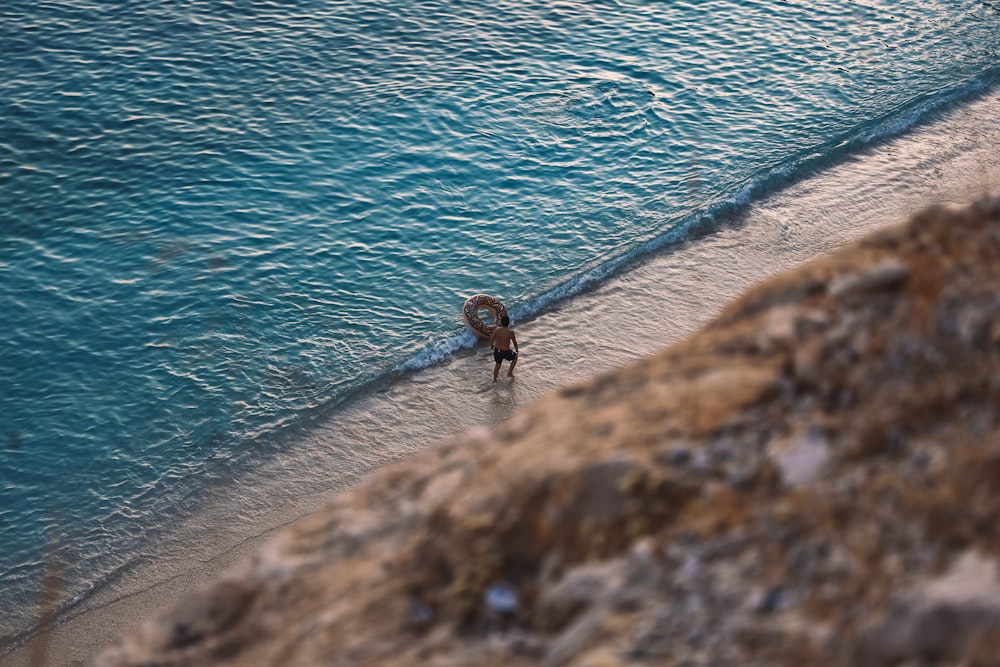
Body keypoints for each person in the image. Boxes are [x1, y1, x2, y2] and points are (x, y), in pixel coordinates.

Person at [489, 314, 519, 382]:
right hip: (505, 351)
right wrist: (517, 349)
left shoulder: (497, 330)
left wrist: (491, 345)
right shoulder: (510, 332)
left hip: (497, 350)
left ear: (501, 323)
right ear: (508, 323)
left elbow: (492, 338)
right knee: (515, 358)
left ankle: (494, 379)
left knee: (497, 365)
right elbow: (514, 342)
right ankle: (509, 373)